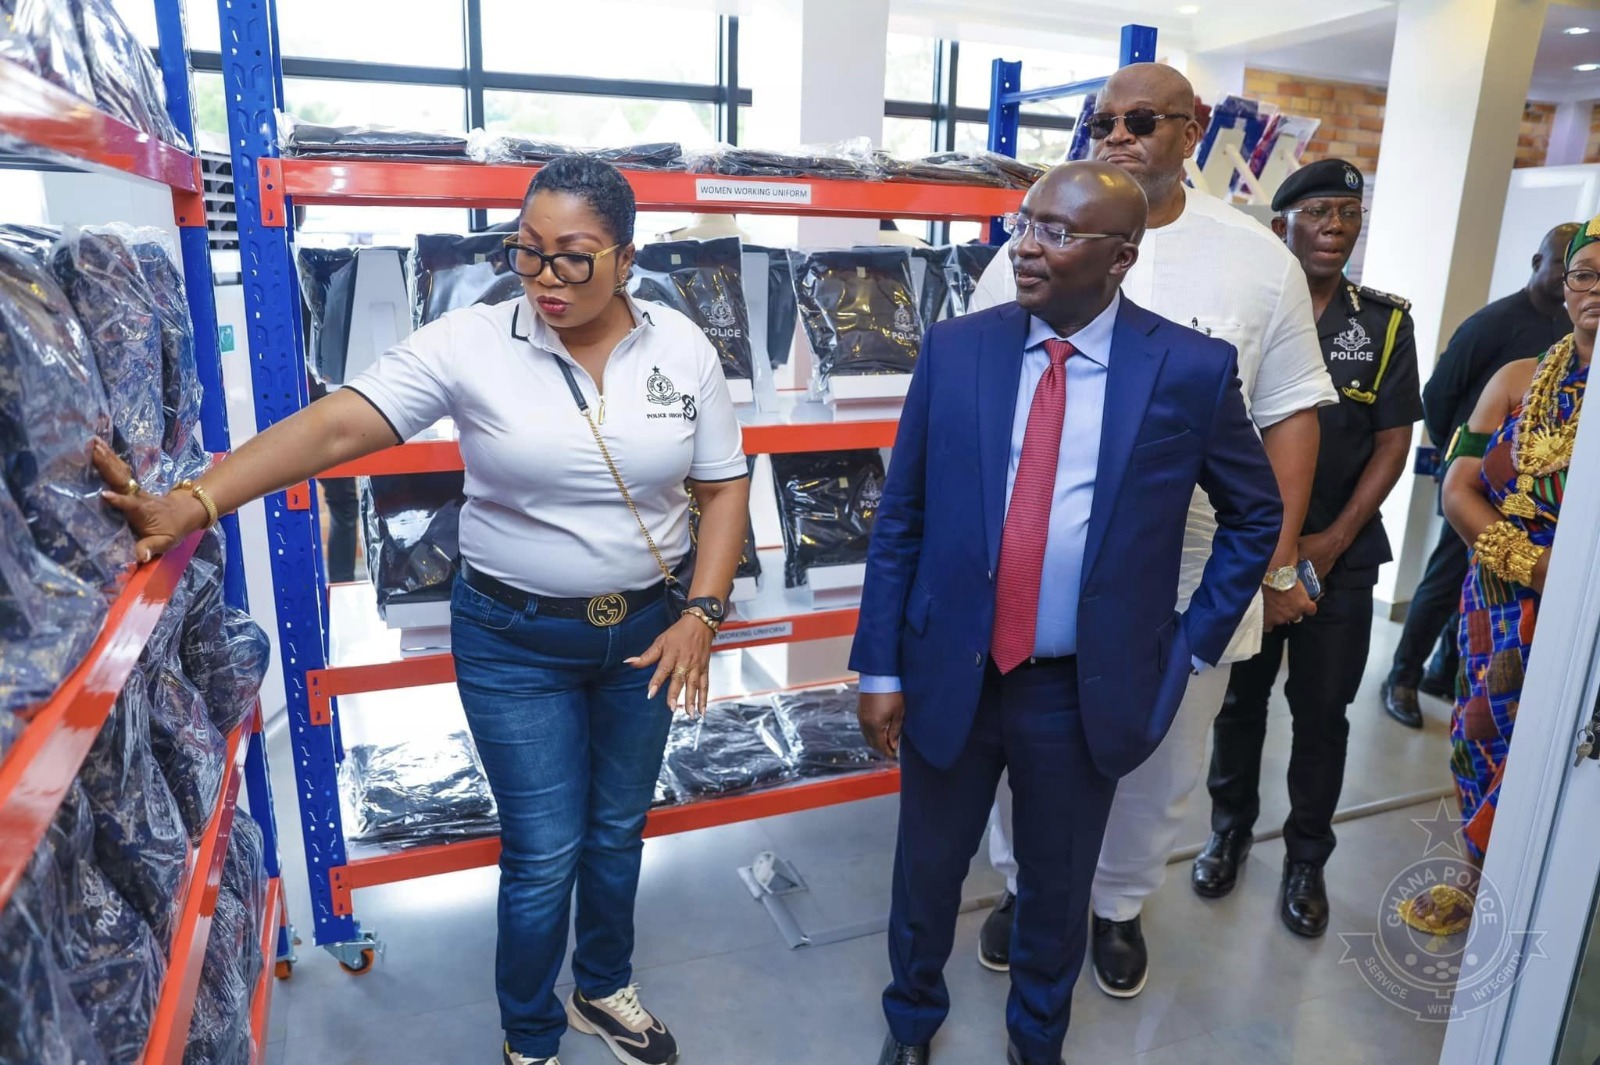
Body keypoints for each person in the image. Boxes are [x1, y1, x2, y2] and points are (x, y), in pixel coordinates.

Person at [94, 155, 752, 1065]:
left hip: (648, 632)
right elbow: (336, 424)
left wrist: (702, 613)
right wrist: (195, 502)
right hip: (516, 641)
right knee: (544, 848)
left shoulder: (681, 348)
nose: (546, 277)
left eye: (574, 256)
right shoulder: (474, 340)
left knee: (616, 829)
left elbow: (722, 488)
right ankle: (531, 1032)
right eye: (527, 250)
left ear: (626, 259)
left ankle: (603, 986)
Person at [853, 161, 1283, 1065]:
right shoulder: (957, 349)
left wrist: (1191, 644)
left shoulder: (1189, 369)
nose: (1026, 246)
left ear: (1121, 257)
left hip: (1080, 689)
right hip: (950, 669)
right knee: (926, 875)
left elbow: (1255, 514)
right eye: (1026, 222)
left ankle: (1037, 1039)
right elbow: (903, 516)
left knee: (1056, 889)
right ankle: (911, 1024)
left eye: (1057, 232)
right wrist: (881, 665)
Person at [970, 62, 1337, 997]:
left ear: (1192, 127)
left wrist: (1277, 563)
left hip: (1188, 571)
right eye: (1103, 122)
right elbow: (978, 389)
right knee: (1020, 737)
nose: (1119, 137)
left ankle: (1118, 903)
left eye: (1142, 120)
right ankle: (1025, 885)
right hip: (1041, 560)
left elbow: (1291, 413)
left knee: (1157, 754)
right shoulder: (1028, 243)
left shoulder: (1255, 258)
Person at [1197, 160, 1422, 937]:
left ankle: (1305, 859)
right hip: (1249, 552)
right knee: (1239, 703)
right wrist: (1276, 551)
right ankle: (1228, 830)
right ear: (1280, 225)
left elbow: (1393, 441)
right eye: (1319, 211)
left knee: (1324, 713)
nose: (1336, 226)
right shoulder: (1251, 311)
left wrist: (1334, 539)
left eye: (1349, 214)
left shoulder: (1384, 323)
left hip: (1341, 557)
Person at [1433, 217, 1595, 869]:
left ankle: (1532, 892)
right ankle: (1480, 877)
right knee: (1480, 732)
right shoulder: (1515, 378)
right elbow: (1458, 488)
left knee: (1557, 751)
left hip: (1582, 608)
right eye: (1584, 274)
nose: (1595, 288)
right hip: (1497, 595)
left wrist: (1567, 576)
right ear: (1566, 287)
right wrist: (1533, 565)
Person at [1381, 222, 1578, 728]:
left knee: (1494, 593)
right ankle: (1402, 677)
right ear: (1538, 263)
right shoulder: (1493, 324)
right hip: (1477, 485)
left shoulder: (1571, 326)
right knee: (1446, 580)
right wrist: (1462, 460)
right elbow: (1437, 395)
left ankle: (1443, 672)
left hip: (1538, 501)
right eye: (1566, 266)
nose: (1571, 280)